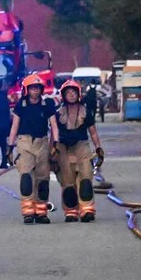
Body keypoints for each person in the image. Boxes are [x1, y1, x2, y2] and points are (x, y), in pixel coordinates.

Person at [7, 74, 59, 224]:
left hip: (42, 143)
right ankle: (28, 212)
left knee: (43, 180)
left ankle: (41, 212)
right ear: (27, 90)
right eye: (32, 88)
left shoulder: (47, 105)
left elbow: (54, 125)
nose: (35, 91)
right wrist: (10, 147)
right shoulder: (21, 106)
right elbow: (15, 126)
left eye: (37, 88)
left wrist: (55, 144)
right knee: (26, 178)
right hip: (25, 143)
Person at [54, 80, 103, 222]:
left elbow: (93, 132)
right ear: (63, 95)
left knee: (86, 179)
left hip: (82, 147)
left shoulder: (85, 112)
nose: (71, 95)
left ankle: (87, 210)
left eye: (74, 92)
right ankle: (71, 211)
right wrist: (53, 152)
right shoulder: (58, 113)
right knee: (67, 183)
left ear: (79, 94)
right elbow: (54, 134)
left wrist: (98, 148)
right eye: (68, 92)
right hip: (63, 148)